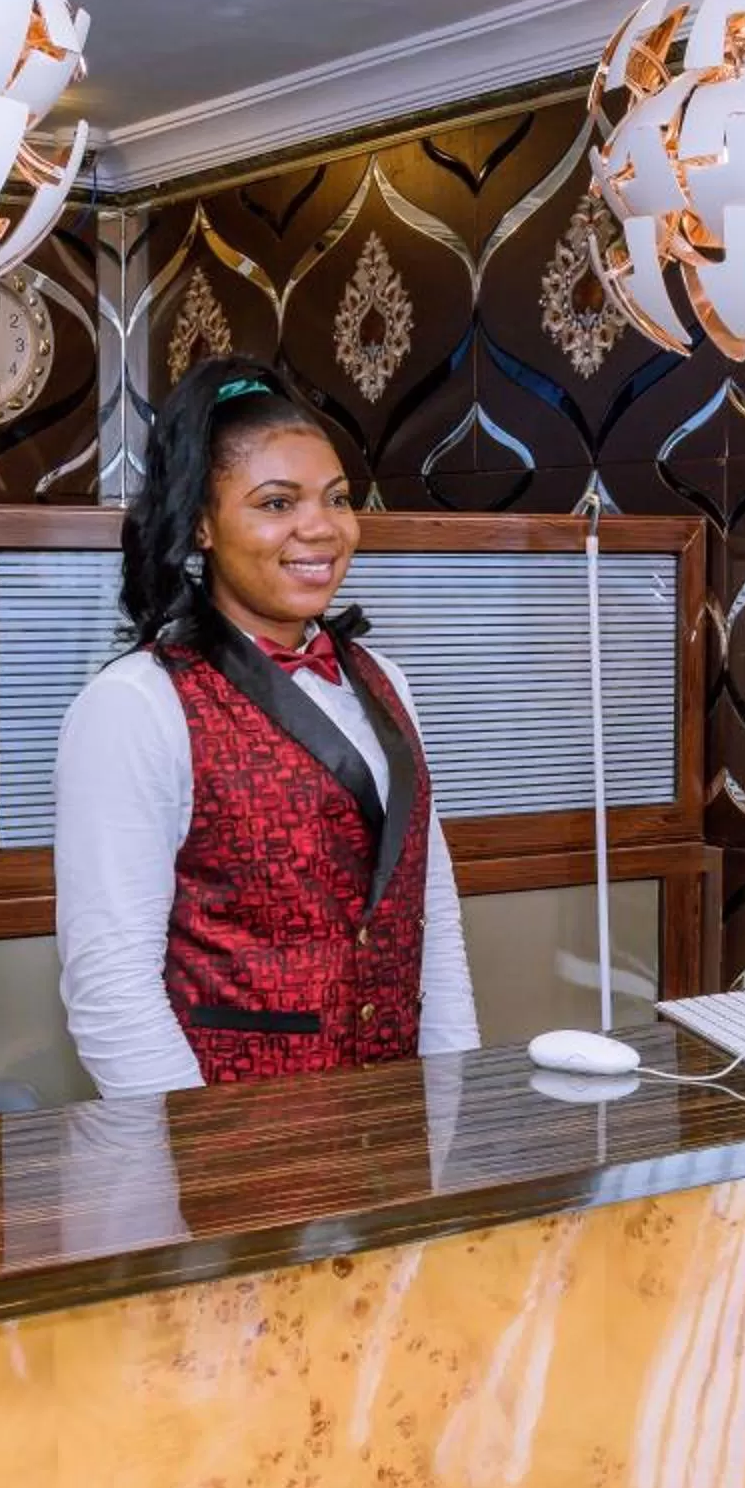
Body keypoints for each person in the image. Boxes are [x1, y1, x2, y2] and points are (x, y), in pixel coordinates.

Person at [53, 357, 480, 1097]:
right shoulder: (137, 705)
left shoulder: (385, 680)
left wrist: (451, 1098)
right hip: (231, 1142)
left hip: (392, 1119)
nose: (321, 528)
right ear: (202, 526)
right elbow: (110, 988)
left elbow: (429, 916)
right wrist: (196, 1162)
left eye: (336, 499)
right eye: (277, 504)